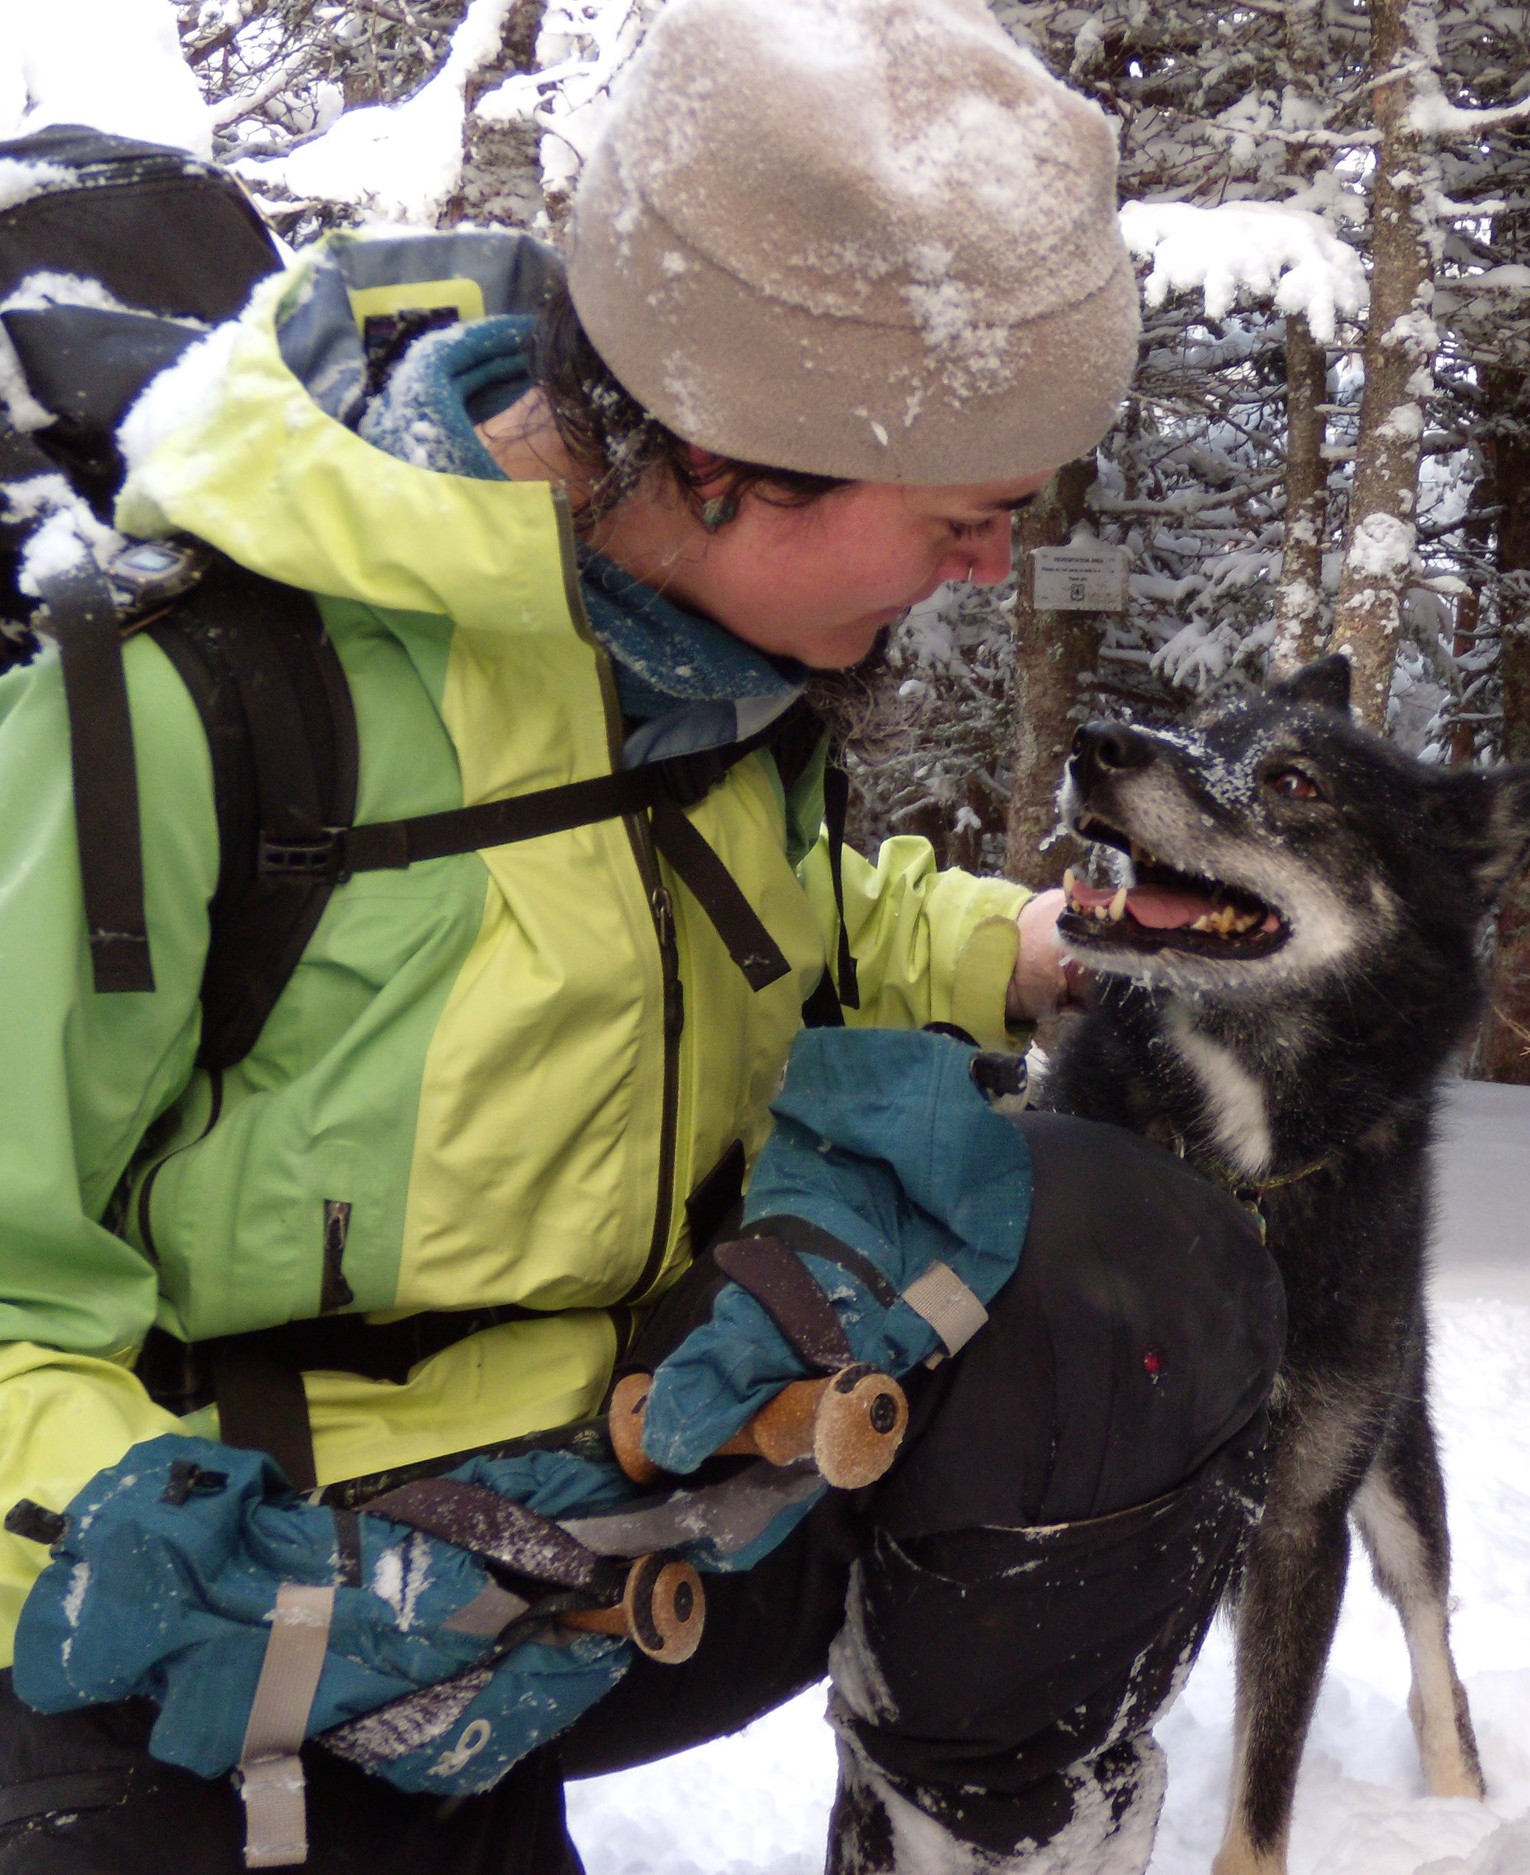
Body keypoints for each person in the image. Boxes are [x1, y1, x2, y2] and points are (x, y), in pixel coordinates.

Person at [0, 1, 1283, 1870]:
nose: (996, 565)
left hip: (675, 1477)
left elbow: (705, 925)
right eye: (967, 512)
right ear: (723, 452)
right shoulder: (178, 701)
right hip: (294, 1581)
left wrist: (1019, 949)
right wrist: (178, 1563)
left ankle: (973, 1834)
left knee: (1121, 1268)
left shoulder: (714, 660)